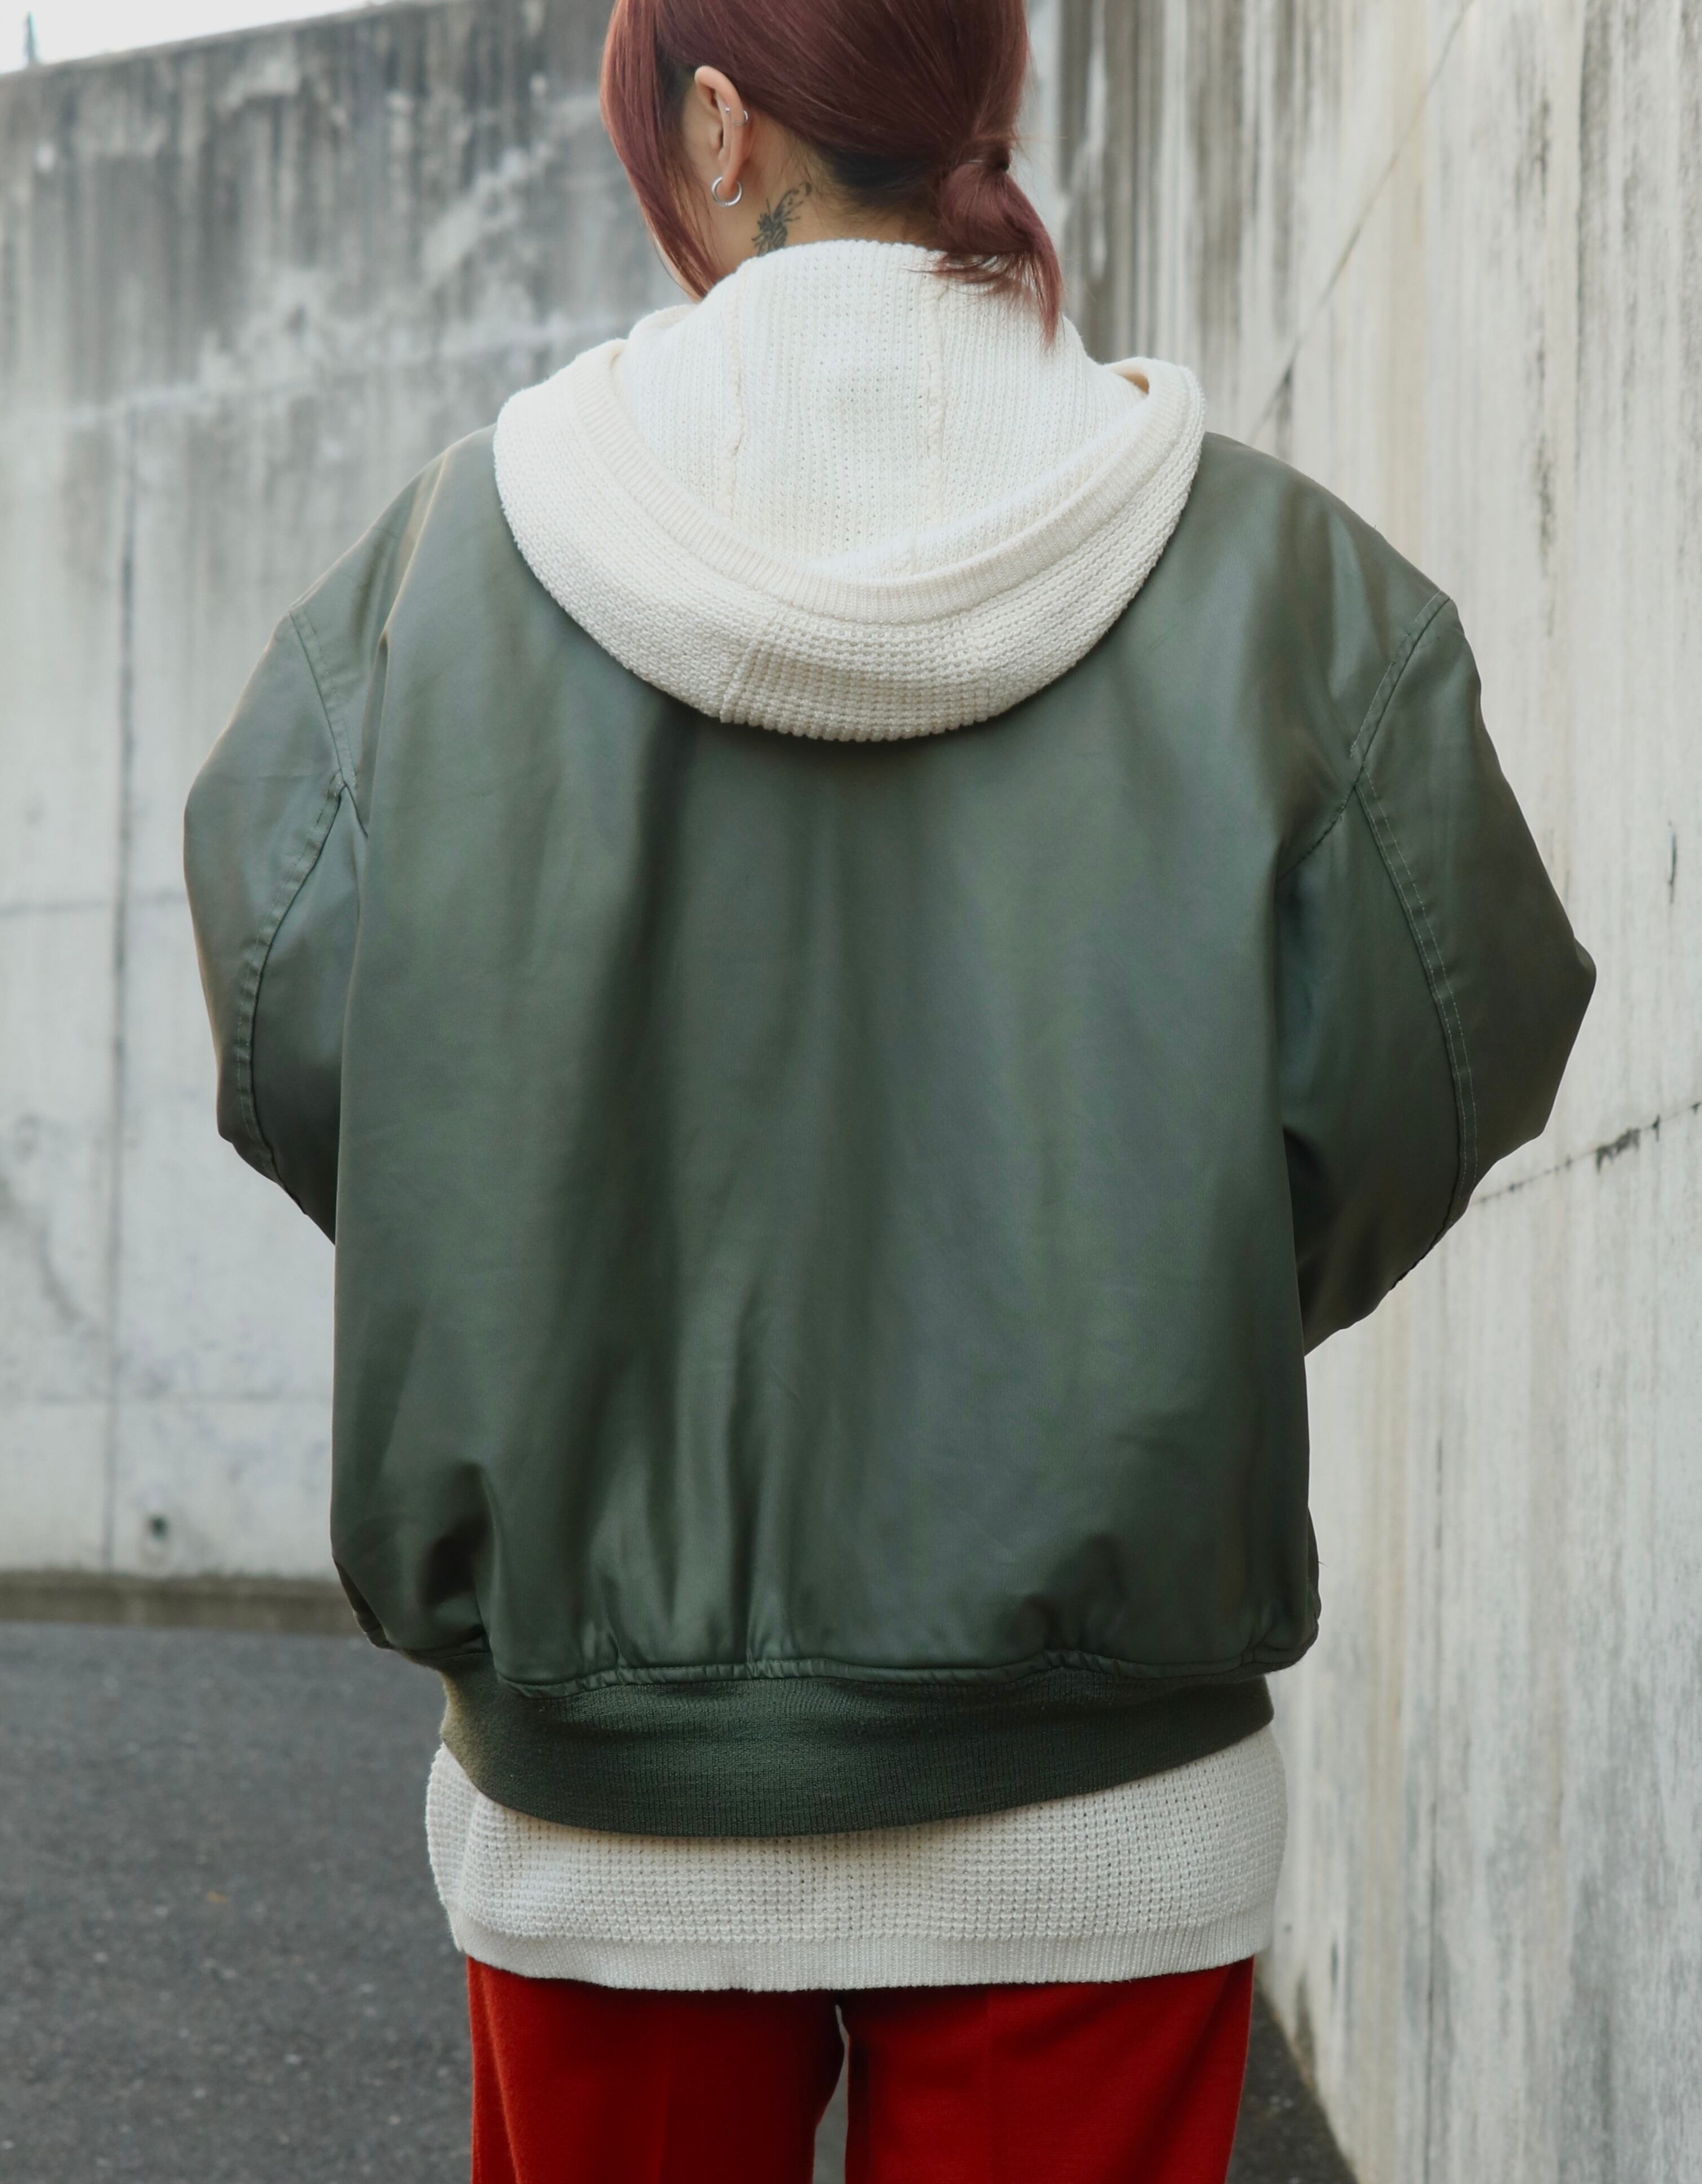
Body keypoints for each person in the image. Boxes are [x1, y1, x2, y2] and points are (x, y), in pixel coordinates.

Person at [184, 0, 1594, 2176]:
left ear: (719, 123)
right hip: (1101, 1808)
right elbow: (1438, 1056)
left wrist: (541, 1263)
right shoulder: (1286, 591)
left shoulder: (434, 584)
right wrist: (1164, 1290)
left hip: (605, 1803)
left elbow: (293, 1026)